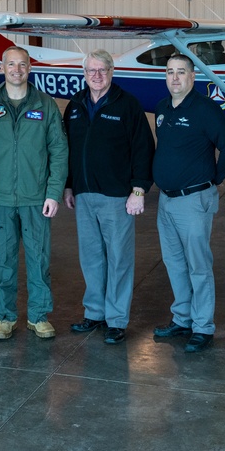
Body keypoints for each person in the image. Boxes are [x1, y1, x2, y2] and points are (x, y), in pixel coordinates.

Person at [0, 46, 69, 341]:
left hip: (36, 198)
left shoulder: (46, 105)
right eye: (11, 64)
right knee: (2, 260)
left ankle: (39, 317)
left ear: (30, 68)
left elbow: (59, 150)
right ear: (2, 68)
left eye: (22, 64)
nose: (17, 69)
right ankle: (6, 316)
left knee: (39, 259)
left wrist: (53, 193)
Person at [62, 50, 154, 345]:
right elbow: (68, 150)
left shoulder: (127, 105)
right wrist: (68, 185)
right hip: (84, 195)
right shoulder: (74, 106)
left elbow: (143, 149)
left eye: (102, 70)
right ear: (84, 73)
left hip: (117, 197)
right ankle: (95, 312)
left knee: (119, 259)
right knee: (91, 258)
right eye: (91, 71)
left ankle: (116, 320)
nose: (97, 76)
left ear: (112, 72)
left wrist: (138, 190)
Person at [152, 53, 225, 353]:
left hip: (193, 200)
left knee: (198, 266)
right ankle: (182, 319)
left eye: (181, 72)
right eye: (169, 72)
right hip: (165, 201)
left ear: (192, 77)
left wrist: (212, 181)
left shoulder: (206, 109)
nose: (174, 78)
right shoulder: (162, 108)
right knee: (175, 263)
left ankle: (203, 326)